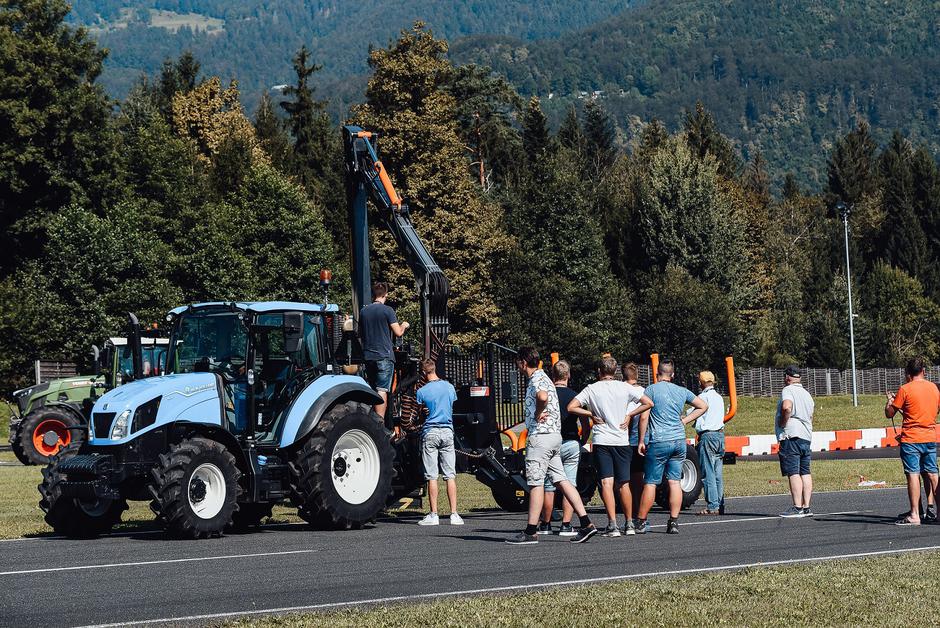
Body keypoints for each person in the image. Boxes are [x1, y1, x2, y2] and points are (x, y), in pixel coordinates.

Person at [506, 347, 598, 544]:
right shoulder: (545, 377)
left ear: (523, 361)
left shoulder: (536, 379)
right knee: (561, 480)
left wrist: (538, 413)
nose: (517, 366)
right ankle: (586, 523)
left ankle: (531, 531)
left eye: (517, 362)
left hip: (541, 437)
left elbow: (542, 397)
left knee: (536, 482)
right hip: (555, 437)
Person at [568, 356, 653, 537]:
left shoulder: (592, 388)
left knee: (607, 482)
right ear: (615, 372)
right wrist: (630, 414)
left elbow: (571, 407)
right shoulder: (625, 387)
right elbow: (648, 403)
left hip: (602, 439)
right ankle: (629, 523)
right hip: (621, 440)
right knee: (624, 483)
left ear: (599, 371)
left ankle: (612, 524)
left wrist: (590, 413)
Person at [635, 360, 707, 535]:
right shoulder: (681, 391)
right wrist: (684, 421)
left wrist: (641, 440)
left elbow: (644, 417)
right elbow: (703, 406)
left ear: (657, 373)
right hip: (678, 441)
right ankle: (673, 522)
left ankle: (641, 521)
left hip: (659, 440)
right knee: (675, 481)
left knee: (651, 482)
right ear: (672, 375)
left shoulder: (651, 390)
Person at [537, 360, 590, 536]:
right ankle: (566, 524)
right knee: (569, 483)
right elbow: (585, 422)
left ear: (553, 376)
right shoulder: (575, 396)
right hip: (571, 441)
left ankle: (545, 523)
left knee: (548, 485)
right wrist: (582, 439)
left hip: (552, 441)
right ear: (568, 375)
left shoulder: (549, 395)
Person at [885, 357, 940, 526]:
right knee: (933, 474)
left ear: (908, 373)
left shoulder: (905, 389)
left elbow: (890, 413)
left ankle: (915, 513)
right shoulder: (934, 388)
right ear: (923, 370)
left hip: (911, 438)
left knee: (913, 474)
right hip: (930, 436)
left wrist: (889, 401)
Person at [415, 358, 462, 526]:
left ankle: (434, 514)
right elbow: (451, 406)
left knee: (432, 476)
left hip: (431, 432)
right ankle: (454, 514)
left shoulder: (422, 391)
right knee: (450, 475)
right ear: (434, 369)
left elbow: (421, 413)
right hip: (447, 432)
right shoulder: (449, 387)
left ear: (423, 373)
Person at [359, 282, 409, 418]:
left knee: (372, 389)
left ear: (374, 294)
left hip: (368, 356)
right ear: (386, 294)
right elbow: (398, 332)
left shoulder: (364, 311)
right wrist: (404, 325)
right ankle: (379, 424)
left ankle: (370, 420)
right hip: (384, 356)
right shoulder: (388, 310)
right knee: (382, 390)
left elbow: (361, 334)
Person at [776, 365, 815, 518]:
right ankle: (806, 507)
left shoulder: (788, 390)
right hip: (806, 435)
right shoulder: (807, 394)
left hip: (792, 435)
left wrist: (783, 423)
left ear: (787, 377)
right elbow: (811, 416)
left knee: (793, 471)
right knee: (805, 471)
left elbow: (787, 407)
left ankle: (797, 507)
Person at [693, 371, 726, 515]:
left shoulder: (701, 397)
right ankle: (720, 503)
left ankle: (712, 505)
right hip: (720, 435)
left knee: (708, 473)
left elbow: (696, 415)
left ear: (701, 382)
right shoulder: (719, 398)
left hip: (707, 436)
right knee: (718, 472)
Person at [622, 362, 647, 525]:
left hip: (622, 439)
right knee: (638, 480)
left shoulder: (620, 390)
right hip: (638, 439)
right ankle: (639, 514)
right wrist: (642, 440)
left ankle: (629, 516)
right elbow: (644, 417)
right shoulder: (643, 392)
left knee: (624, 481)